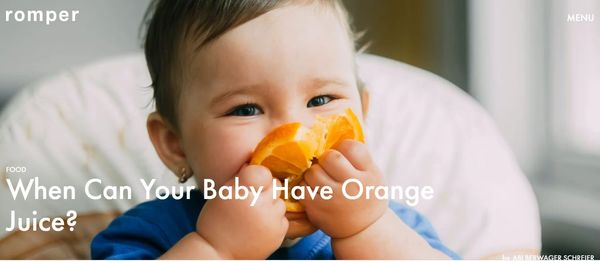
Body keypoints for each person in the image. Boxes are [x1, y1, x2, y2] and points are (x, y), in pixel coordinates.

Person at [91, 0, 460, 259]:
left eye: (321, 100)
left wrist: (368, 232)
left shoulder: (396, 228)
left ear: (361, 115)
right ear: (176, 145)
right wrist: (217, 249)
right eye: (246, 109)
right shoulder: (151, 235)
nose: (294, 134)